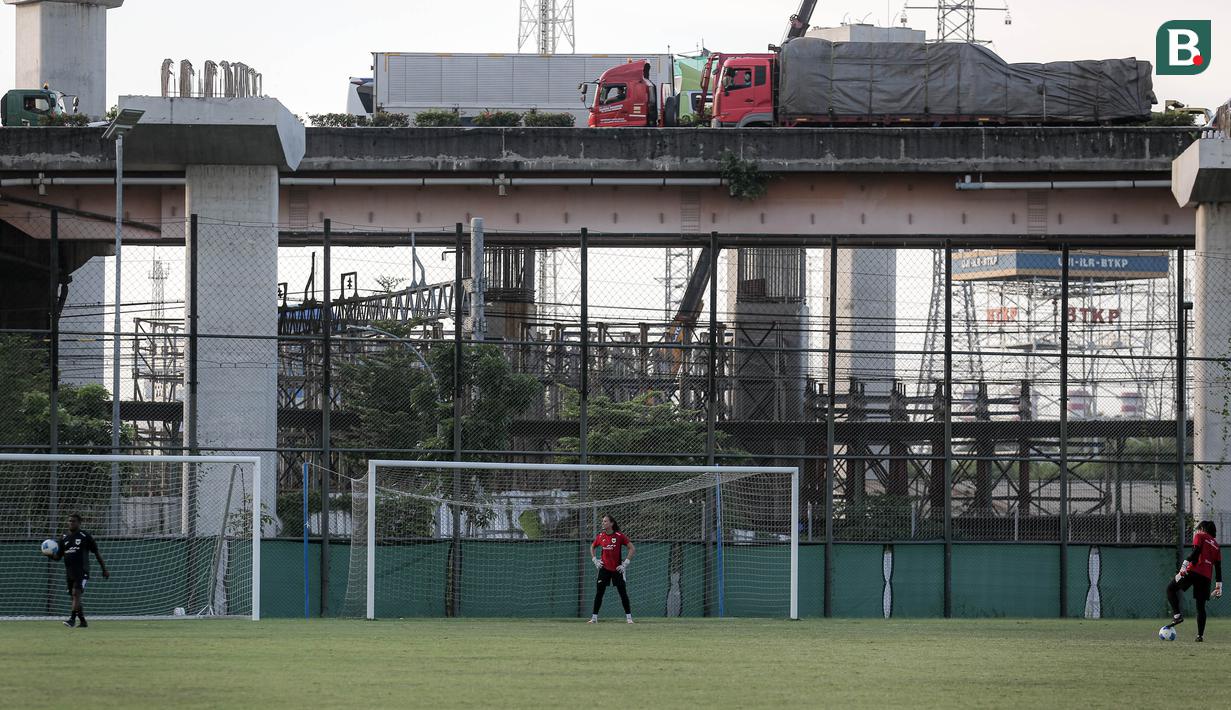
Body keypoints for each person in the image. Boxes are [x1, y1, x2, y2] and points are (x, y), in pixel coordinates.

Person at [1164, 520, 1222, 641]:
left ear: (1202, 528)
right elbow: (1218, 567)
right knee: (1200, 606)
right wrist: (1218, 587)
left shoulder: (1200, 536)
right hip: (1206, 577)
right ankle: (1200, 636)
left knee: (1170, 588)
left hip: (1193, 571)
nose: (1198, 530)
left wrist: (1184, 564)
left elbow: (1196, 553)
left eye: (1199, 528)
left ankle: (1177, 616)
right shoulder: (1216, 545)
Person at [52, 513, 109, 628]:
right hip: (70, 572)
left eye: (73, 521)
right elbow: (58, 557)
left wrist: (104, 569)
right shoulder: (63, 537)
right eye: (69, 521)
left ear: (79, 523)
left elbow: (96, 553)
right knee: (74, 597)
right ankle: (83, 622)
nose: (71, 523)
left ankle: (72, 619)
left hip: (82, 571)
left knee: (76, 594)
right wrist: (49, 554)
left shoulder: (85, 536)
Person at [589, 514, 635, 624]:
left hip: (617, 569)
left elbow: (632, 548)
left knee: (623, 593)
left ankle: (629, 618)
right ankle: (594, 618)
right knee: (599, 593)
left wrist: (625, 563)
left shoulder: (619, 536)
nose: (603, 523)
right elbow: (592, 546)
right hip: (604, 569)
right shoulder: (600, 536)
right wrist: (595, 559)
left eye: (605, 521)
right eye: (603, 521)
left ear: (611, 523)